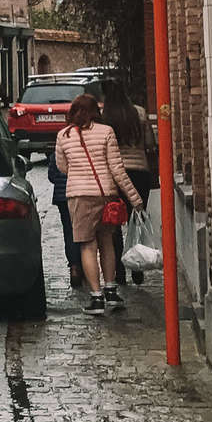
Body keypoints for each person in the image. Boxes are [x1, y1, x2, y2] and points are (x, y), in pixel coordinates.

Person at [53, 91, 143, 314]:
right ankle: (111, 290)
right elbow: (117, 169)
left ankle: (96, 297)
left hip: (79, 196)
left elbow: (62, 167)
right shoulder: (106, 132)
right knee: (107, 242)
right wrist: (135, 198)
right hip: (105, 193)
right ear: (96, 111)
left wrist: (78, 172)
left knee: (86, 245)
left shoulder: (63, 136)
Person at [100, 74, 153, 281]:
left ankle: (119, 271)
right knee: (136, 217)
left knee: (114, 221)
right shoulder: (138, 113)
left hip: (115, 174)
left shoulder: (105, 117)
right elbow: (149, 142)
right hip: (140, 171)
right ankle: (137, 265)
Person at [47, 154, 83, 291]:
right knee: (82, 230)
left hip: (62, 196)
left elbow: (51, 176)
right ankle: (85, 265)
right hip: (80, 194)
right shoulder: (80, 145)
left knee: (68, 232)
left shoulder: (57, 150)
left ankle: (74, 267)